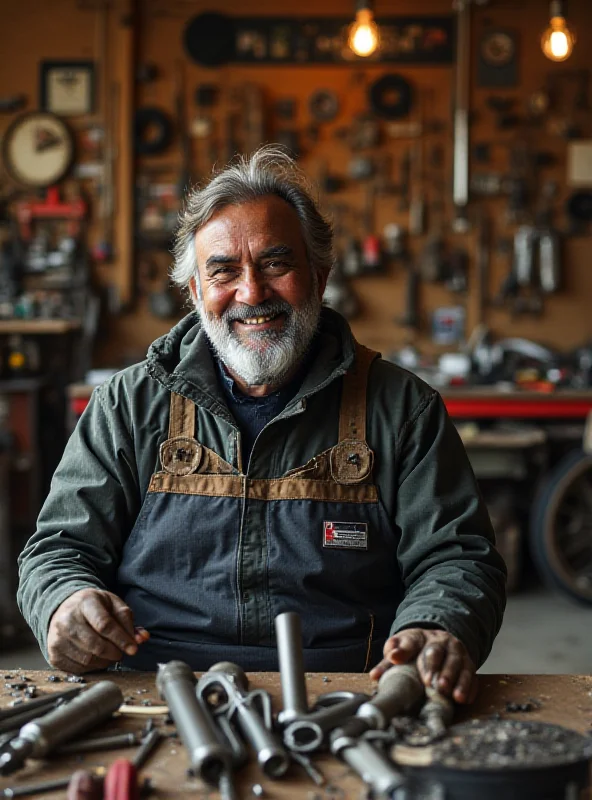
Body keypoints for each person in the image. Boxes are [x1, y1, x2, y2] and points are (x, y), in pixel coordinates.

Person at [18, 147, 506, 704]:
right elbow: (59, 548)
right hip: (151, 691)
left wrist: (438, 626)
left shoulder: (401, 409)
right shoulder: (129, 405)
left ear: (319, 277)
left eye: (276, 264)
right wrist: (64, 602)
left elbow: (458, 556)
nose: (251, 294)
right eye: (223, 271)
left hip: (352, 696)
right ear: (196, 292)